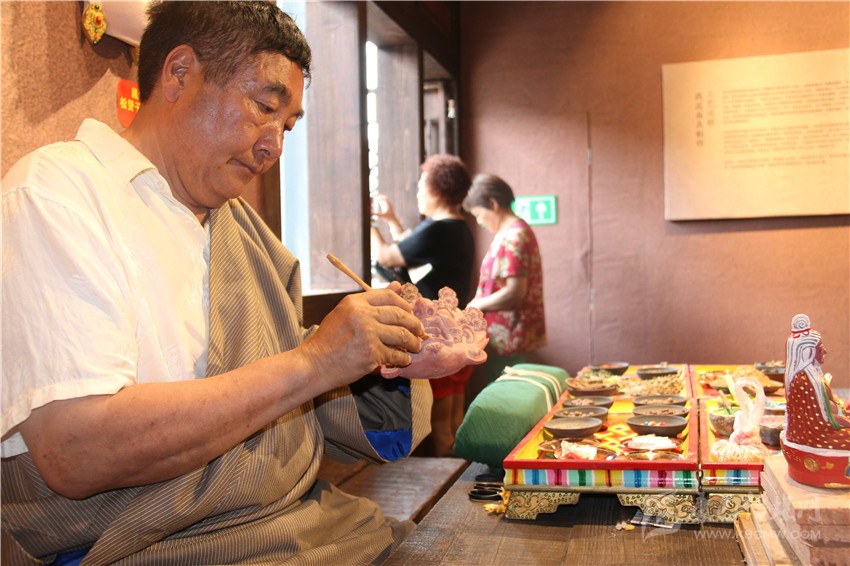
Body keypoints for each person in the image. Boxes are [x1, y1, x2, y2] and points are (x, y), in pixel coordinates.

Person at [1, 3, 433, 564]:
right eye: (264, 107)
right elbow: (75, 450)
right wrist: (316, 362)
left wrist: (390, 353)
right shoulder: (58, 193)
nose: (274, 146)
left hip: (290, 525)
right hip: (149, 547)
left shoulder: (240, 230)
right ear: (180, 74)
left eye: (287, 126)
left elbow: (283, 380)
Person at [370, 154, 475, 457]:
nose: (417, 194)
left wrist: (369, 223)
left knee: (441, 428)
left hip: (437, 338)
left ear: (435, 189)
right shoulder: (457, 228)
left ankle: (449, 481)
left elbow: (388, 256)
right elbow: (412, 247)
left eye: (420, 187)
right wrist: (391, 221)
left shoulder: (439, 229)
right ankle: (459, 471)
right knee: (454, 423)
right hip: (455, 333)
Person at [463, 173, 547, 403]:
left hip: (509, 337)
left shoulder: (514, 235)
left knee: (506, 400)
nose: (480, 222)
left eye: (479, 214)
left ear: (492, 204)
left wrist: (476, 305)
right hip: (505, 337)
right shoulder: (512, 232)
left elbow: (515, 291)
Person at [781, 314, 850, 487]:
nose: (825, 351)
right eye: (820, 348)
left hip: (820, 427)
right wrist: (845, 421)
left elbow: (828, 412)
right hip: (814, 436)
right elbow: (822, 421)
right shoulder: (805, 381)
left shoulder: (812, 376)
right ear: (808, 352)